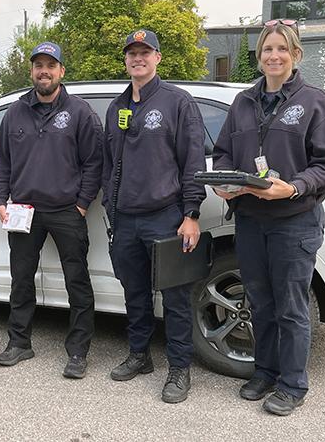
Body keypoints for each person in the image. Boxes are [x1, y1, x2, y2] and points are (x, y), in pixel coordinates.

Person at [211, 19, 325, 416]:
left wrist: (295, 186)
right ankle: (265, 371)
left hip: (294, 221)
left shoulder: (315, 102)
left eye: (281, 49)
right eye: (267, 50)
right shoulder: (243, 103)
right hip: (251, 218)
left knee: (291, 307)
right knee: (260, 302)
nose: (274, 56)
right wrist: (223, 181)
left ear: (295, 55)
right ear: (259, 57)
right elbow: (223, 153)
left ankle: (293, 384)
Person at [102, 30, 206, 403]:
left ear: (158, 58)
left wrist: (191, 213)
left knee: (176, 298)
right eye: (132, 53)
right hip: (125, 219)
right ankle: (139, 355)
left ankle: (179, 368)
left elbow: (192, 161)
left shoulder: (178, 102)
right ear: (126, 60)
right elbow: (109, 163)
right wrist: (109, 210)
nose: (137, 58)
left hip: (166, 217)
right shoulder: (116, 107)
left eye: (145, 52)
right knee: (135, 293)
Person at [0, 42, 103, 379]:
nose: (44, 71)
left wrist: (82, 204)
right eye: (38, 65)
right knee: (21, 280)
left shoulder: (80, 112)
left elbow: (94, 162)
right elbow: (2, 161)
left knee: (77, 281)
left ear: (61, 71)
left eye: (50, 65)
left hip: (67, 210)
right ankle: (19, 343)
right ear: (32, 71)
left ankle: (79, 352)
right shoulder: (15, 112)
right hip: (23, 211)